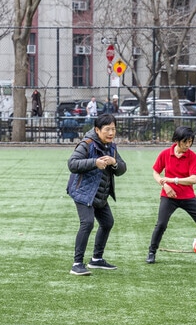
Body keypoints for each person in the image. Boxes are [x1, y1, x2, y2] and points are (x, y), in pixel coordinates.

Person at [145, 126, 196, 264]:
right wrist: (164, 184)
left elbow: (194, 179)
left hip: (187, 196)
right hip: (169, 196)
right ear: (177, 140)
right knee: (161, 224)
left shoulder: (193, 156)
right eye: (185, 142)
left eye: (190, 142)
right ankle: (151, 252)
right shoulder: (165, 154)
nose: (188, 145)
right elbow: (155, 172)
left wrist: (174, 180)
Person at [67, 113, 127, 276]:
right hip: (83, 192)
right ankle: (77, 264)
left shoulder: (112, 147)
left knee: (107, 222)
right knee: (87, 223)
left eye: (113, 129)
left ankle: (96, 259)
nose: (111, 133)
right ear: (97, 130)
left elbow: (122, 168)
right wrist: (94, 162)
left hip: (100, 194)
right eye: (107, 129)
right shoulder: (86, 144)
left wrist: (114, 163)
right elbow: (72, 164)